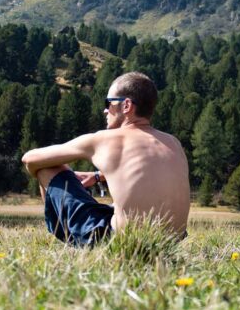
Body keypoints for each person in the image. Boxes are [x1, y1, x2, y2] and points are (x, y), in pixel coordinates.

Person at [21, 71, 190, 246]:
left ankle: (69, 241)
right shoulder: (173, 143)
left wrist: (63, 176)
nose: (105, 110)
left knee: (47, 167)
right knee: (117, 209)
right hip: (172, 243)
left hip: (123, 243)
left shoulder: (106, 140)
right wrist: (97, 176)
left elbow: (30, 159)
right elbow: (149, 171)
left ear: (126, 106)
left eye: (108, 103)